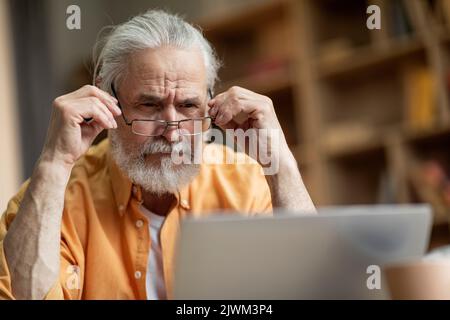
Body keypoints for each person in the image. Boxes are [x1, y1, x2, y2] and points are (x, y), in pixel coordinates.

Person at [0, 10, 315, 300]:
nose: (173, 132)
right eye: (148, 106)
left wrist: (281, 163)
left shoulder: (248, 183)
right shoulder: (48, 200)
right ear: (107, 101)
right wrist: (55, 164)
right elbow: (26, 296)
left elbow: (314, 286)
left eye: (189, 106)